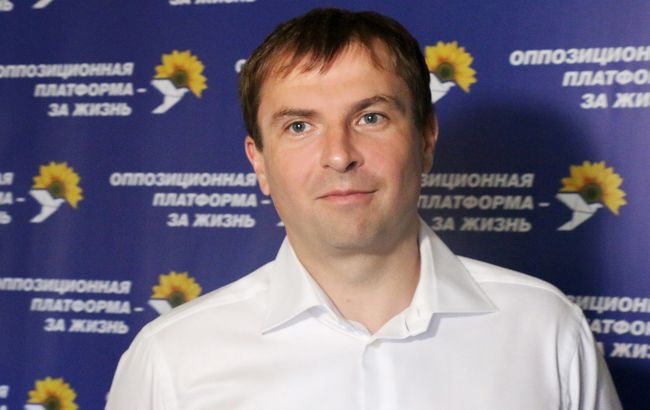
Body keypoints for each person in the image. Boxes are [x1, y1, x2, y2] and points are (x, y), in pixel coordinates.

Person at [106, 8, 621, 409]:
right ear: (258, 162)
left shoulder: (545, 328)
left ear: (425, 140)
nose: (339, 155)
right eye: (299, 126)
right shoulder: (172, 358)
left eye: (371, 117)